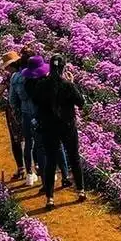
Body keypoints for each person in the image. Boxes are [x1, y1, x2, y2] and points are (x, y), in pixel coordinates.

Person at [28, 56, 86, 208]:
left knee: (51, 161)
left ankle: (50, 198)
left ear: (50, 68)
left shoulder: (41, 85)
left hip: (48, 127)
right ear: (63, 68)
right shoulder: (68, 85)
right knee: (74, 157)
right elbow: (81, 103)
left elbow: (35, 101)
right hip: (67, 126)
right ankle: (81, 191)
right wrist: (73, 83)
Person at [9, 49, 49, 187]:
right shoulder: (38, 76)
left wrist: (19, 113)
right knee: (41, 144)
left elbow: (12, 100)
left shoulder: (15, 77)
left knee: (27, 145)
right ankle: (45, 175)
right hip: (39, 114)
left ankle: (29, 175)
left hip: (25, 114)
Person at [0, 52, 31, 182]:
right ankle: (36, 168)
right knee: (31, 139)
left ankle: (21, 169)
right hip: (30, 109)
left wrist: (1, 84)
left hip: (15, 111)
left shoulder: (10, 77)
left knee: (16, 140)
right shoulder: (28, 73)